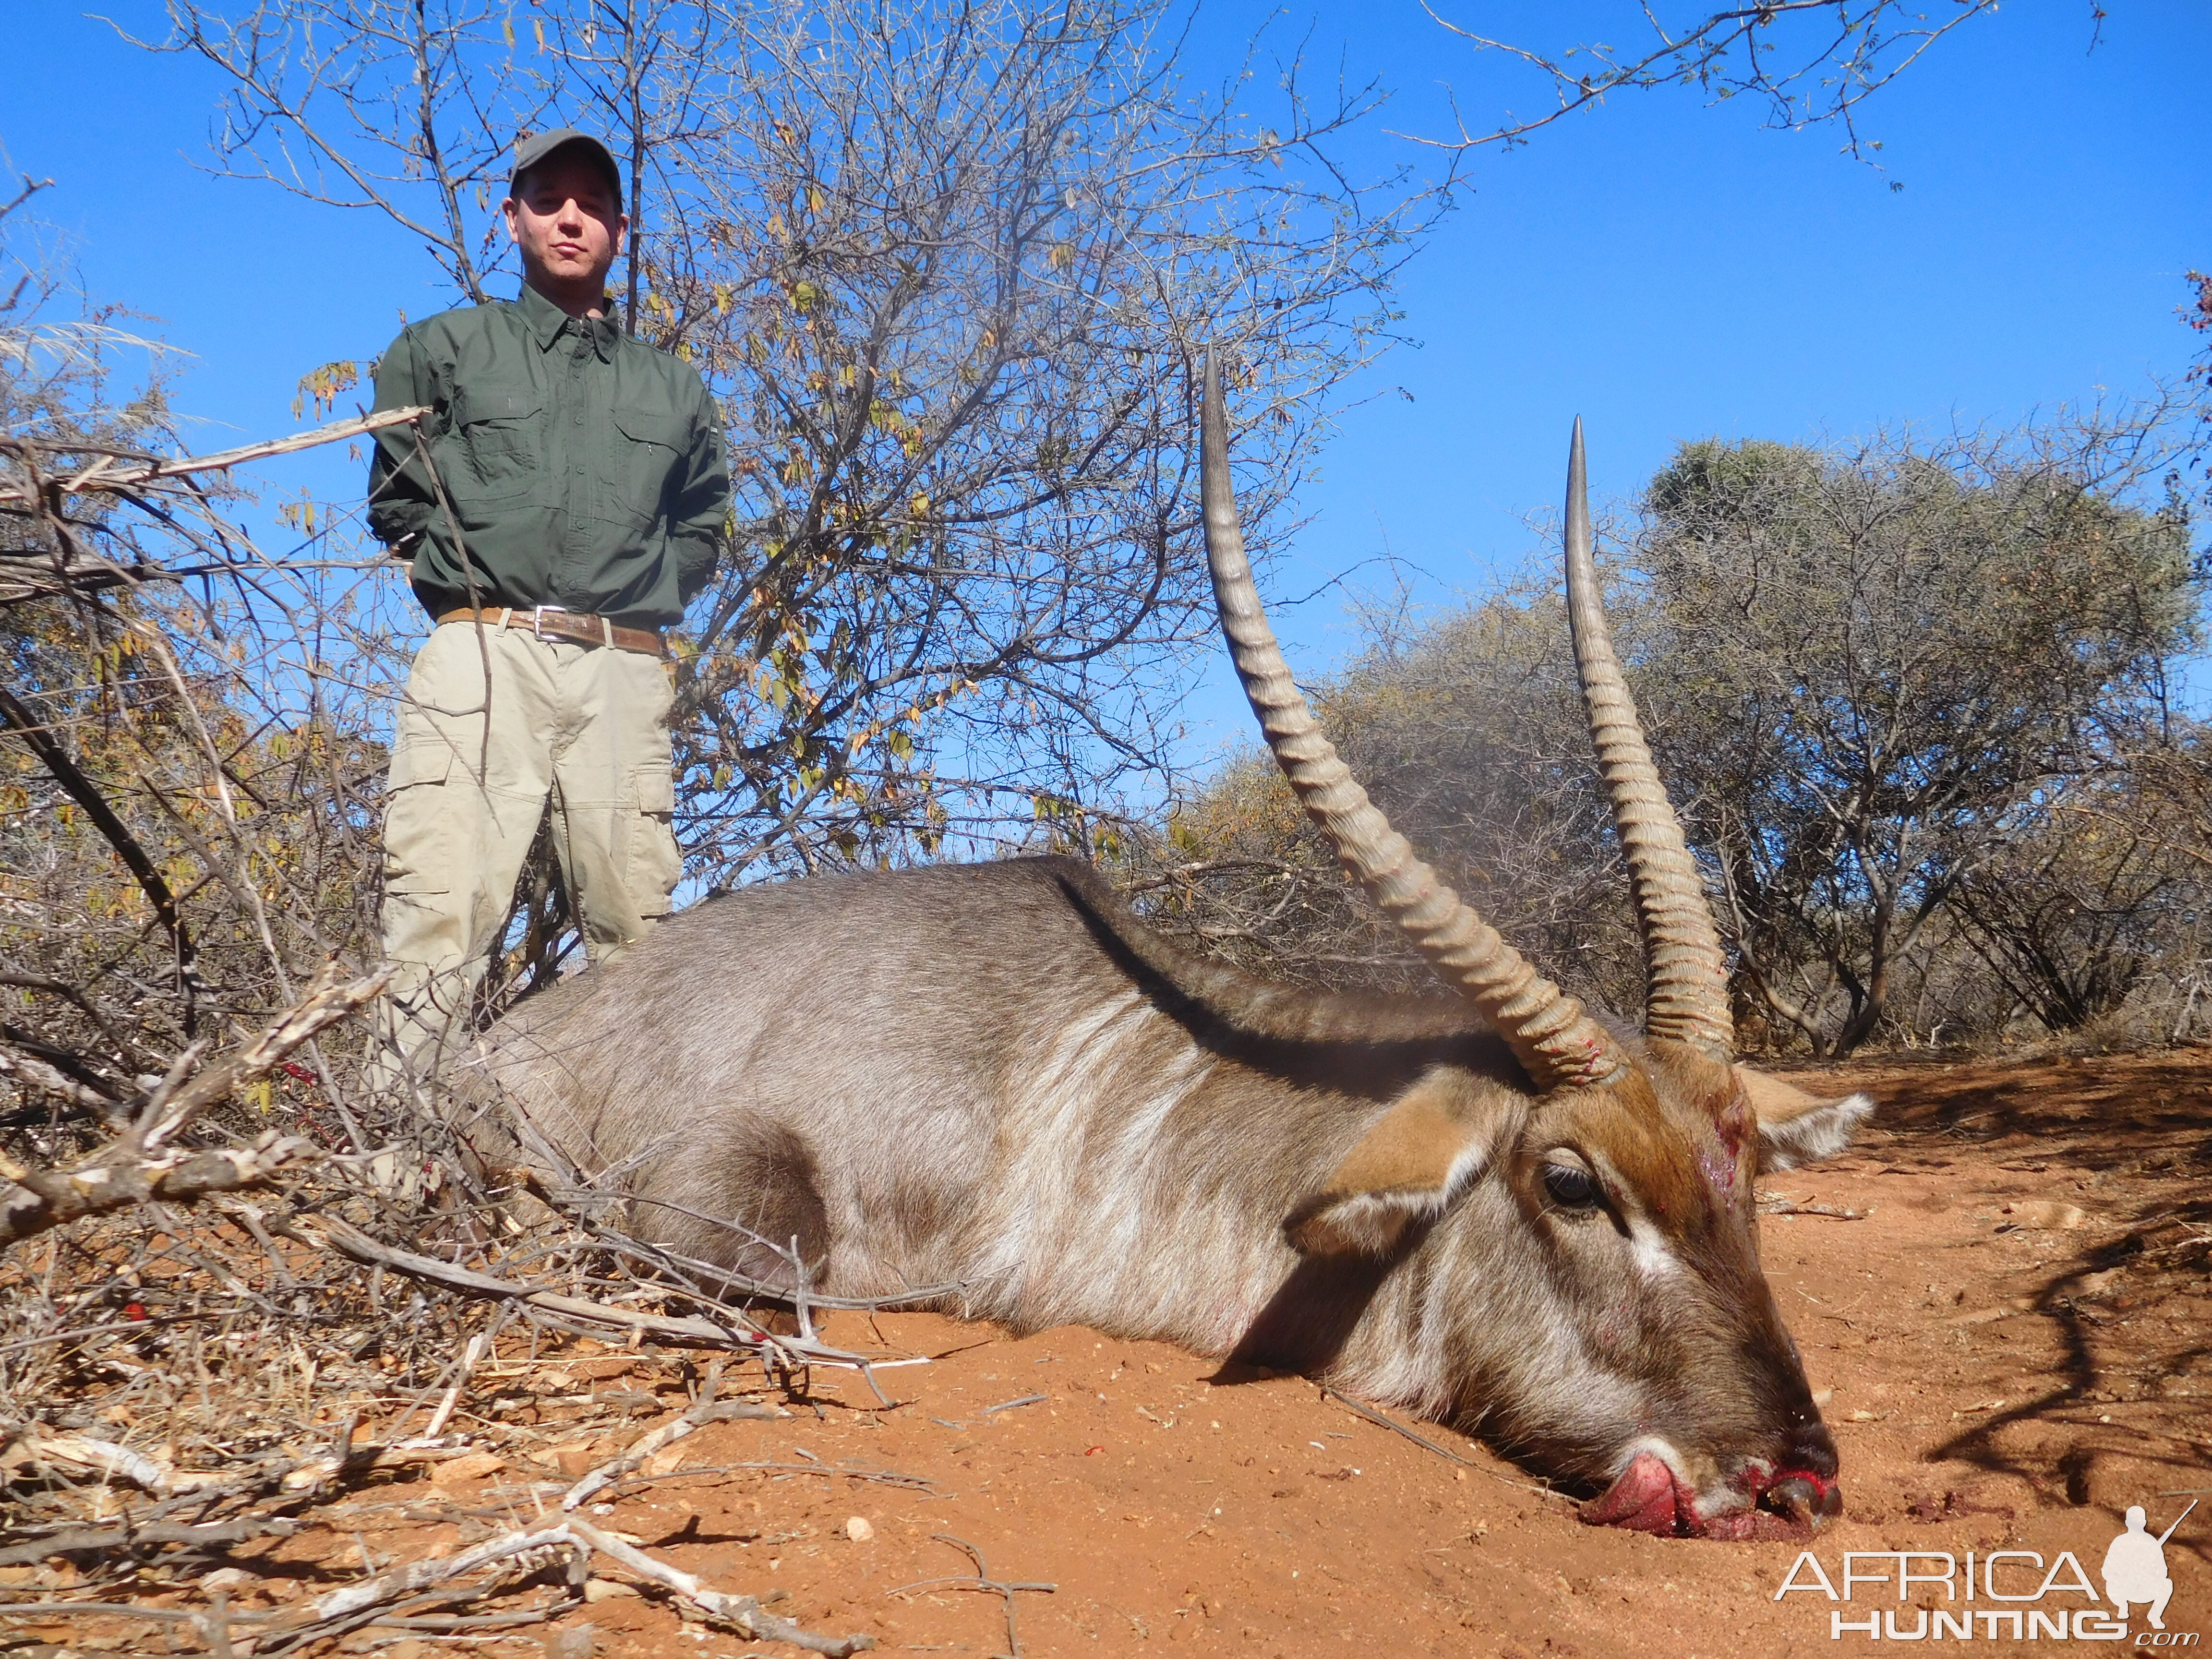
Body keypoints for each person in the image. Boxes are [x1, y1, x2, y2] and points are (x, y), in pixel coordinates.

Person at [365, 128, 729, 1082]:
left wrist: (638, 610)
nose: (571, 218)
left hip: (623, 669)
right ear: (513, 216)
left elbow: (703, 525)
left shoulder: (674, 386)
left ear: (620, 226)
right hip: (481, 654)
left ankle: (636, 1197)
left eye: (591, 203)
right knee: (440, 908)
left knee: (637, 928)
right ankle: (401, 1161)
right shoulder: (440, 350)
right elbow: (397, 501)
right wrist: (476, 579)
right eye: (549, 198)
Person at [2101, 1505, 2174, 1630]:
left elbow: (2163, 1572)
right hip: (2123, 1590)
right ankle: (2123, 1607)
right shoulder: (2120, 1542)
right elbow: (2107, 1571)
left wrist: (2146, 1571)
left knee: (2167, 1584)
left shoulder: (2151, 1543)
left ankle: (2155, 1615)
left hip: (2144, 1590)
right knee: (2112, 1583)